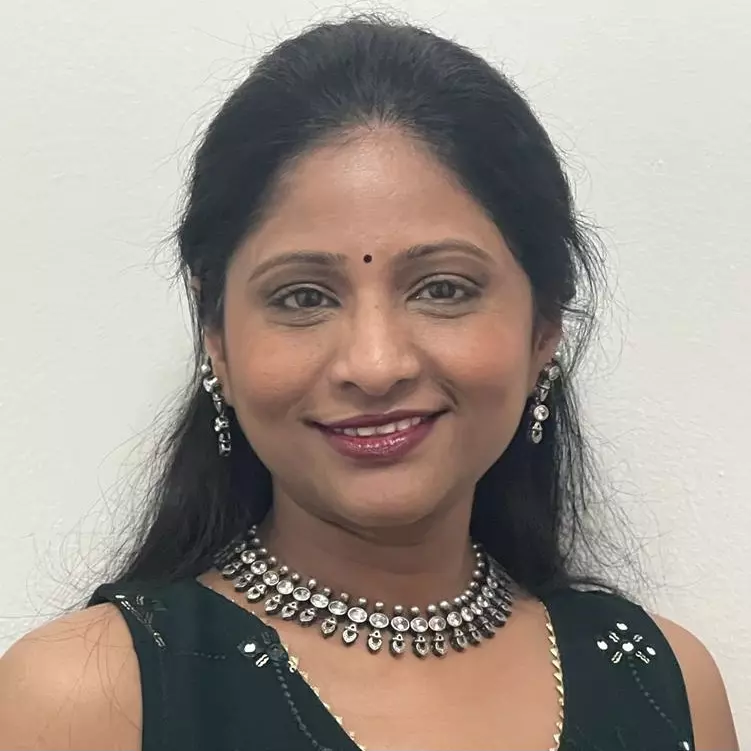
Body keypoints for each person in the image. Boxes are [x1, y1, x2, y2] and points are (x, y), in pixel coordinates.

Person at [0, 15, 739, 751]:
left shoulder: (664, 682)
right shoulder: (89, 698)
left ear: (542, 327)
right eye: (302, 297)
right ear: (216, 337)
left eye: (442, 288)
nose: (375, 363)